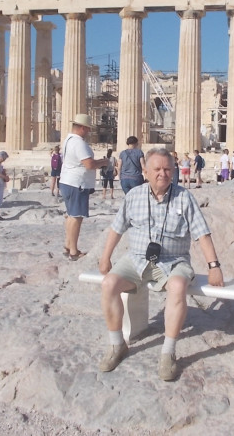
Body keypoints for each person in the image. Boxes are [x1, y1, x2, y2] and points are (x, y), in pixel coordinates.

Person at [97, 148, 224, 381]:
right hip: (136, 259)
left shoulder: (184, 197)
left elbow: (202, 234)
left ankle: (168, 352)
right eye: (157, 169)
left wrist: (213, 266)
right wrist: (105, 257)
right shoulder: (134, 196)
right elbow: (116, 229)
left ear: (174, 171)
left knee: (177, 286)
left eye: (167, 169)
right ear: (145, 171)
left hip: (174, 261)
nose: (162, 174)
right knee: (109, 284)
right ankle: (117, 345)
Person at [60, 114, 109, 260]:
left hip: (67, 181)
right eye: (88, 129)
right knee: (76, 217)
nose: (89, 132)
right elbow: (89, 164)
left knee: (71, 215)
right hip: (77, 183)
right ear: (82, 128)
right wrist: (103, 162)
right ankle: (74, 251)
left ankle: (68, 245)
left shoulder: (68, 140)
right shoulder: (79, 143)